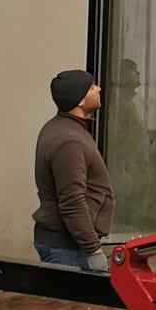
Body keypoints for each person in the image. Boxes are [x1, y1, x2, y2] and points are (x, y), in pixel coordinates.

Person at [33, 68, 114, 271]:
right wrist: (93, 250)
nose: (99, 88)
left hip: (69, 247)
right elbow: (72, 202)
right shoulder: (69, 142)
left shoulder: (62, 128)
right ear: (79, 100)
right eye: (92, 86)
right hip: (68, 250)